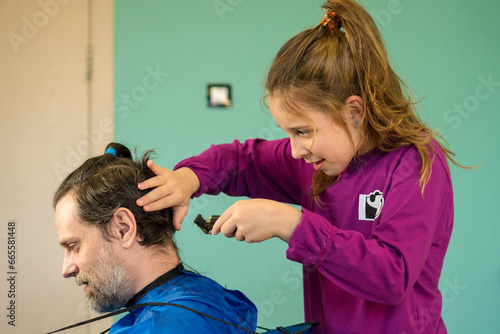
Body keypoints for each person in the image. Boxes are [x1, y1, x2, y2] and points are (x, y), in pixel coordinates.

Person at [136, 0, 465, 333]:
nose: (294, 151)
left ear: (354, 112)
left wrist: (291, 223)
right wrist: (187, 178)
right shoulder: (317, 163)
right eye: (287, 133)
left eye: (303, 131)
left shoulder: (416, 162)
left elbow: (391, 276)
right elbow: (239, 160)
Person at [53, 143, 257, 334]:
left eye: (74, 246)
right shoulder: (205, 298)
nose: (67, 270)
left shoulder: (162, 326)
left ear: (123, 229)